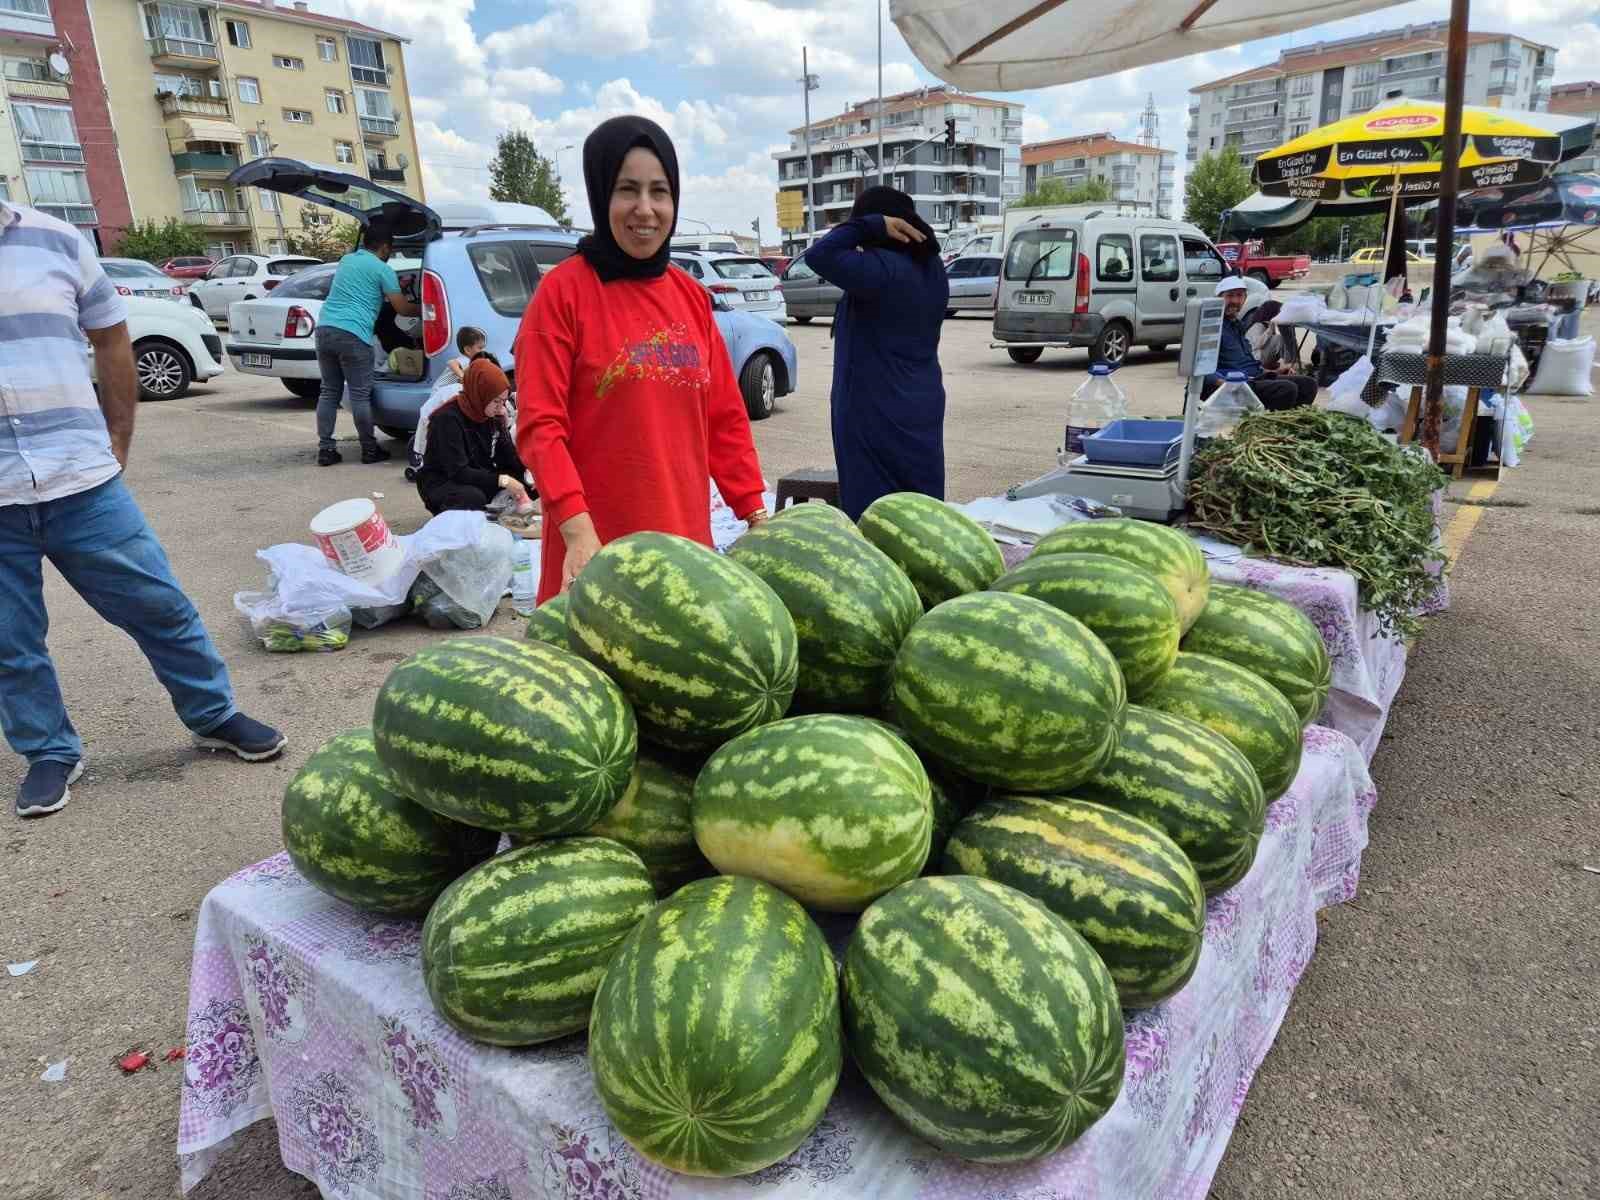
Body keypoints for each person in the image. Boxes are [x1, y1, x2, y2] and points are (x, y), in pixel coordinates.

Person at [0, 198, 285, 818]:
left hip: (81, 479)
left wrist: (119, 436)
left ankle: (213, 714)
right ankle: (49, 751)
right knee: (9, 642)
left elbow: (111, 337)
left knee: (160, 607)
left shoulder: (55, 241)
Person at [514, 115, 768, 603]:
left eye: (660, 191)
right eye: (628, 190)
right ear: (600, 195)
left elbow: (724, 420)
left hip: (684, 550)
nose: (646, 209)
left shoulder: (691, 296)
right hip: (597, 554)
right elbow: (539, 428)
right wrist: (576, 530)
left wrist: (754, 511)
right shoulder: (562, 294)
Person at [804, 186, 948, 520]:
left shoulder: (882, 269)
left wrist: (872, 225)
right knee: (923, 517)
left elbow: (819, 255)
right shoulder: (933, 268)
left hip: (874, 413)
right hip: (921, 407)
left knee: (875, 518)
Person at [314, 221, 418, 466]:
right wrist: (424, 307)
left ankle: (326, 450)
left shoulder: (347, 260)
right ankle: (369, 450)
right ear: (383, 247)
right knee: (361, 396)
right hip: (354, 334)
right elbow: (402, 308)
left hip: (325, 329)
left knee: (329, 392)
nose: (389, 254)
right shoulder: (383, 269)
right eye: (389, 249)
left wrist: (390, 289)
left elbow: (359, 290)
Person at [415, 357, 533, 515]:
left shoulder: (492, 416)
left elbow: (508, 455)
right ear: (481, 394)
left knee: (531, 484)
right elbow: (458, 471)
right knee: (473, 498)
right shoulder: (447, 419)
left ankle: (495, 506)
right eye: (496, 402)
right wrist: (505, 481)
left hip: (477, 474)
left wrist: (530, 473)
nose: (500, 408)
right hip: (444, 481)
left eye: (503, 402)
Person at [1205, 276, 1317, 410]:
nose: (1235, 300)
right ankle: (1266, 425)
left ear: (1245, 299)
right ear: (1219, 298)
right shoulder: (1211, 326)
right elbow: (1199, 367)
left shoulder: (1237, 325)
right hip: (1231, 384)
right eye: (1230, 296)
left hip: (1253, 378)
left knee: (1308, 384)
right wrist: (1224, 383)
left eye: (1239, 296)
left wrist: (1275, 370)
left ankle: (1292, 425)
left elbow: (1248, 363)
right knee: (1286, 389)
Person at [410, 326, 488, 472]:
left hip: (450, 394)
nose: (483, 351)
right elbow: (452, 363)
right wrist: (464, 377)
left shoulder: (472, 361)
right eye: (480, 347)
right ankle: (422, 454)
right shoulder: (465, 360)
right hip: (440, 394)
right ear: (467, 349)